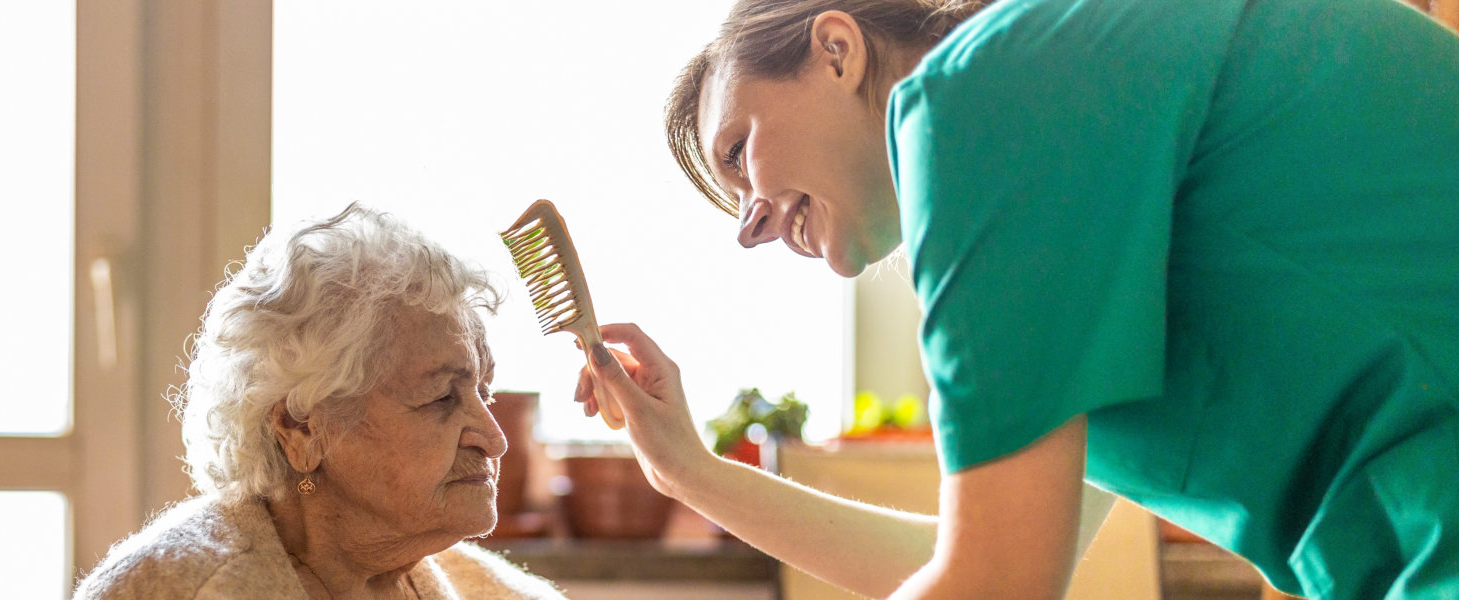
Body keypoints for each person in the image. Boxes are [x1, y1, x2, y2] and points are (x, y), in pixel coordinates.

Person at [574, 0, 1459, 598]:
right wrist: (687, 471)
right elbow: (982, 556)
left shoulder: (987, 94)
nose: (750, 227)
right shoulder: (1049, 183)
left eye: (738, 154)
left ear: (836, 49)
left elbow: (992, 583)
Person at [75, 205, 565, 600]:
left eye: (484, 392)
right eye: (441, 397)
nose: (495, 440)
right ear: (301, 428)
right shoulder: (170, 588)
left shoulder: (500, 594)